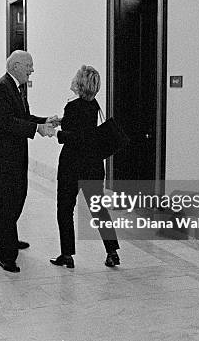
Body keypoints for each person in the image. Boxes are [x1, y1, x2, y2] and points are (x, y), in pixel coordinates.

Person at [0, 50, 58, 273]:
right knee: (7, 203)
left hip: (14, 156)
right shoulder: (1, 88)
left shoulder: (16, 88)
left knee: (18, 197)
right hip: (1, 157)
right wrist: (37, 129)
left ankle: (8, 238)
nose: (32, 70)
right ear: (15, 66)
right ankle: (6, 254)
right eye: (28, 66)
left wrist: (45, 120)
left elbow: (22, 117)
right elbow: (7, 122)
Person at [50, 65, 120, 268]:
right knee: (99, 210)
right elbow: (86, 130)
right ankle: (112, 251)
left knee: (65, 209)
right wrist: (63, 121)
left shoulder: (72, 105)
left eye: (76, 76)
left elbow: (75, 136)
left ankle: (67, 254)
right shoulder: (93, 105)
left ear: (79, 83)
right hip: (93, 164)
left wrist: (57, 134)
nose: (72, 78)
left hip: (72, 164)